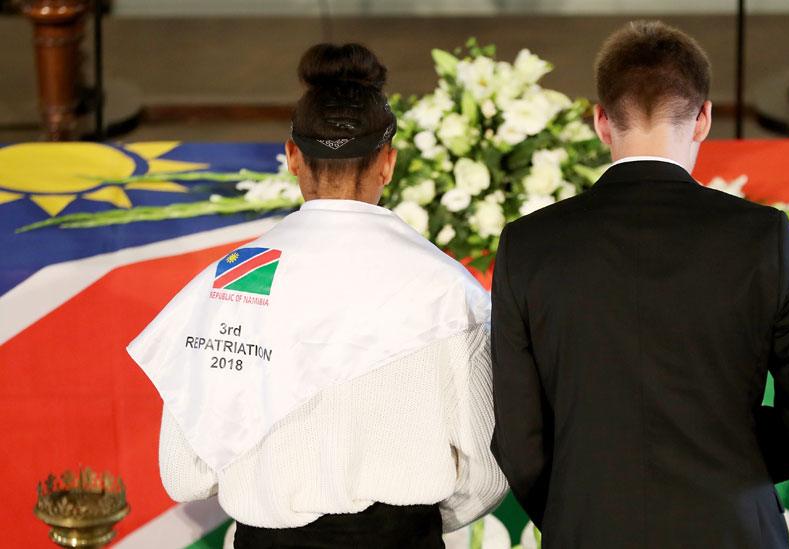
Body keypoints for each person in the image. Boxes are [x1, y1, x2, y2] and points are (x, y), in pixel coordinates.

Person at [489, 20, 789, 548]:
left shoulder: (529, 245)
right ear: (704, 118)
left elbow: (520, 444)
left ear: (600, 121)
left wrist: (584, 502)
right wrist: (728, 459)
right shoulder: (762, 238)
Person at [128, 43, 506, 549]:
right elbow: (486, 471)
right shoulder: (447, 288)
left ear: (291, 158)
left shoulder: (227, 285)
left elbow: (183, 474)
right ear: (388, 164)